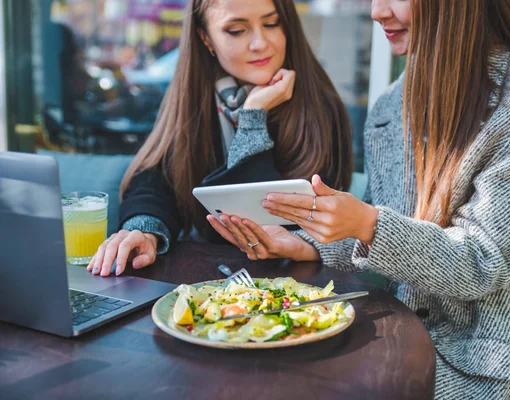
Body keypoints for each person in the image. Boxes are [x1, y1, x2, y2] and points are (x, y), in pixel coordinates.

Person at [210, 0, 510, 398]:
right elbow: (384, 243)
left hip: (480, 375)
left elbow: (483, 263)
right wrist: (309, 245)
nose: (378, 12)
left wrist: (367, 223)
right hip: (391, 340)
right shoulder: (388, 109)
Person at [87, 0, 352, 277]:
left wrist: (253, 116)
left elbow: (262, 220)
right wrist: (145, 232)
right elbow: (156, 181)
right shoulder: (196, 96)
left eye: (272, 23)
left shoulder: (322, 109)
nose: (260, 43)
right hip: (206, 281)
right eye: (237, 30)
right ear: (206, 38)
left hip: (292, 286)